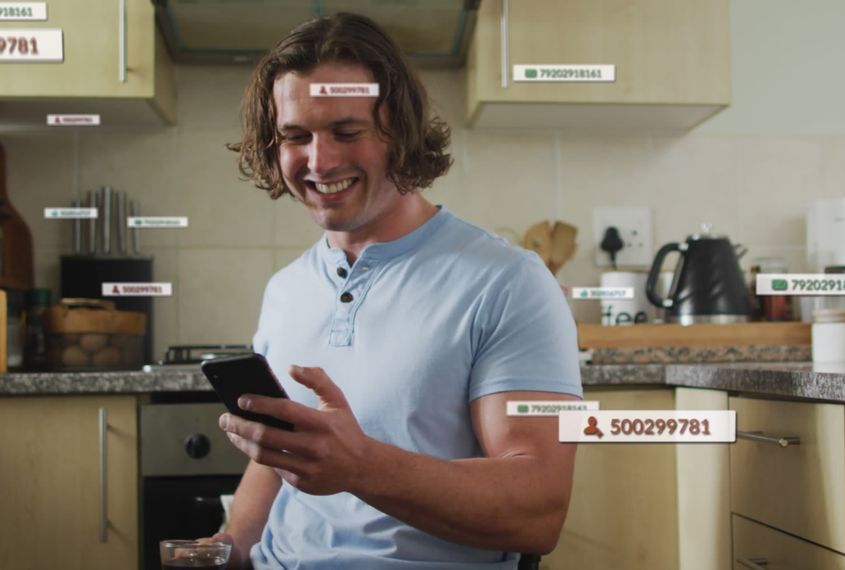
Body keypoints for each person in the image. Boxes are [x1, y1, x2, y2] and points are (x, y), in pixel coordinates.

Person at [215, 12, 583, 569]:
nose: (319, 161)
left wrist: (360, 466)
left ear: (400, 132)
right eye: (295, 136)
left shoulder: (508, 282)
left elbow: (537, 509)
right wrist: (224, 551)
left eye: (347, 131)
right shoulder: (286, 290)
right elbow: (279, 461)